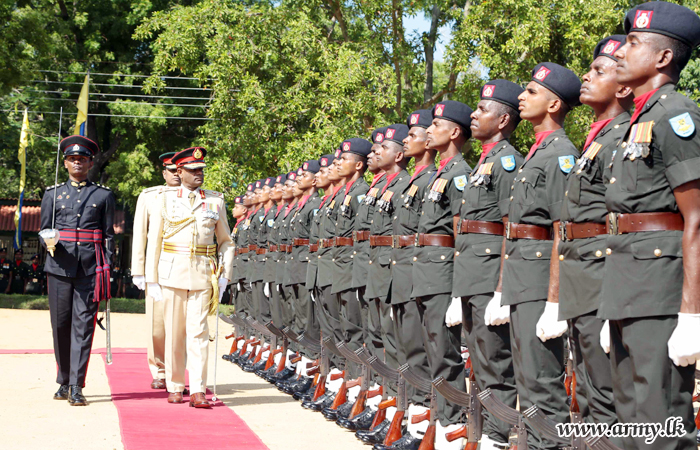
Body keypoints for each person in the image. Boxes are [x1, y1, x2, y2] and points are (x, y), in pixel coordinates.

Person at [598, 3, 700, 449]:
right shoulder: (636, 120)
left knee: (659, 422)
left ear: (662, 59)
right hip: (626, 283)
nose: (620, 52)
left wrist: (692, 316)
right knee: (629, 419)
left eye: (634, 44)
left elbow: (696, 218)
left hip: (659, 288)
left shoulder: (676, 115)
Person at [537, 36, 633, 446]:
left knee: (609, 393)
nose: (586, 77)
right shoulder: (597, 139)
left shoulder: (624, 136)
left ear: (623, 85)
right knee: (592, 389)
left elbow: (623, 223)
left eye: (598, 71)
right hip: (583, 275)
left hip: (602, 275)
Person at [496, 62, 581, 450]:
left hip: (537, 279)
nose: (521, 97)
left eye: (531, 92)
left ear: (553, 104)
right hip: (520, 276)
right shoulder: (536, 153)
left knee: (544, 384)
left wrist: (554, 301)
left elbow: (562, 230)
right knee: (527, 379)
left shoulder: (561, 152)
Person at [450, 80, 524, 450]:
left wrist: (501, 289)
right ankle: (482, 429)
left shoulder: (507, 161)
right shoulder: (484, 161)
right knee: (478, 359)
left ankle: (497, 435)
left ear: (503, 119)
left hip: (489, 272)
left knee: (495, 361)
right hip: (471, 273)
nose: (474, 116)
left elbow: (513, 227)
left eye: (482, 109)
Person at [409, 100, 473, 450]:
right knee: (431, 350)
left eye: (437, 125)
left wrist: (457, 291)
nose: (429, 131)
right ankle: (439, 420)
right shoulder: (438, 174)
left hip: (443, 273)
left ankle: (451, 425)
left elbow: (461, 233)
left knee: (446, 355)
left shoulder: (459, 173)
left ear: (454, 132)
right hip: (426, 270)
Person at [150, 146, 234, 407]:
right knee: (175, 333)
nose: (199, 174)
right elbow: (155, 241)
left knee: (199, 332)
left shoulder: (215, 201)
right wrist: (151, 279)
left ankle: (198, 389)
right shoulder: (163, 199)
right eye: (193, 170)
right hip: (172, 274)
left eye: (201, 170)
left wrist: (224, 276)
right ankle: (175, 385)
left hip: (202, 275)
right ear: (179, 172)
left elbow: (226, 242)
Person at [39, 135, 115, 406]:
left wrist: (107, 268)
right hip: (59, 266)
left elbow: (108, 236)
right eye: (72, 159)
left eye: (82, 159)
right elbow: (44, 229)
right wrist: (47, 240)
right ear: (65, 163)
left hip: (90, 269)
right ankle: (63, 378)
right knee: (60, 325)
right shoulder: (52, 194)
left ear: (90, 163)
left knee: (83, 328)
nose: (77, 163)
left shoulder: (103, 195)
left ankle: (76, 385)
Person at [131, 151, 181, 390]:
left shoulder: (201, 197)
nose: (177, 175)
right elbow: (140, 234)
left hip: (186, 269)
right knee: (157, 325)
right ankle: (159, 369)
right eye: (172, 170)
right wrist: (138, 270)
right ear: (164, 173)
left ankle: (177, 371)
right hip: (157, 270)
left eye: (181, 170)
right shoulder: (150, 196)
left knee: (184, 325)